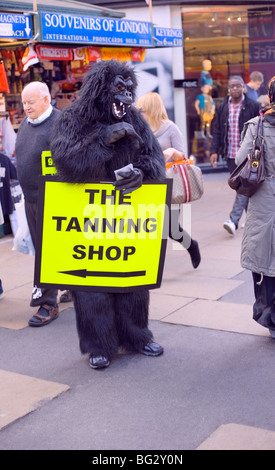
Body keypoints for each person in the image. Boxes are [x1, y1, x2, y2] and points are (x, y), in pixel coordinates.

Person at [51, 60, 165, 369]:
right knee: (91, 286)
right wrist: (104, 138)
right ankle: (98, 346)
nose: (126, 98)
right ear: (102, 89)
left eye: (130, 90)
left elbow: (155, 158)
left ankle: (137, 336)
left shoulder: (136, 119)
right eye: (119, 89)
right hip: (86, 216)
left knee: (132, 280)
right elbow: (65, 163)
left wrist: (140, 173)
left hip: (126, 214)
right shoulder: (73, 118)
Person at [135, 92, 201, 269]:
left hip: (169, 183)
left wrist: (171, 151)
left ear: (152, 109)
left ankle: (192, 246)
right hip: (146, 184)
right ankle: (149, 266)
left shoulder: (171, 128)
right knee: (148, 227)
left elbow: (183, 158)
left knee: (172, 229)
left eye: (142, 109)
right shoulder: (139, 130)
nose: (139, 113)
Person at [15, 81, 61, 327]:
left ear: (45, 99)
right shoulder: (26, 123)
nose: (26, 107)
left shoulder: (60, 123)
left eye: (30, 102)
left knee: (48, 252)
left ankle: (47, 303)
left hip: (55, 197)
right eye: (24, 103)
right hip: (32, 198)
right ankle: (72, 287)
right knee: (46, 249)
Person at [235, 75, 275, 339]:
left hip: (265, 200)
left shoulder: (258, 124)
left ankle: (270, 318)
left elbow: (241, 160)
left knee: (266, 259)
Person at [210, 75, 260, 235]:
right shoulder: (223, 106)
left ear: (243, 87)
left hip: (248, 155)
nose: (235, 89)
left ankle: (233, 220)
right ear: (228, 88)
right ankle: (255, 218)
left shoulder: (253, 105)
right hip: (230, 155)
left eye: (238, 85)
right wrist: (214, 151)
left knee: (243, 185)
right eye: (232, 86)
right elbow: (217, 129)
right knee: (244, 187)